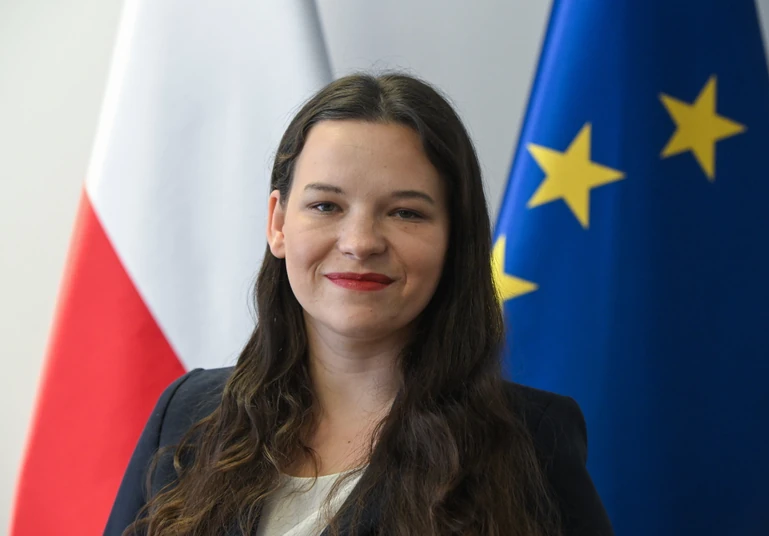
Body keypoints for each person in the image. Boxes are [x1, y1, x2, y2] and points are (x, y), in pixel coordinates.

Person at [104, 72, 613, 536]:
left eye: (405, 212)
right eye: (326, 205)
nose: (360, 242)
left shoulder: (531, 440)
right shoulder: (187, 415)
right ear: (278, 223)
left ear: (455, 238)